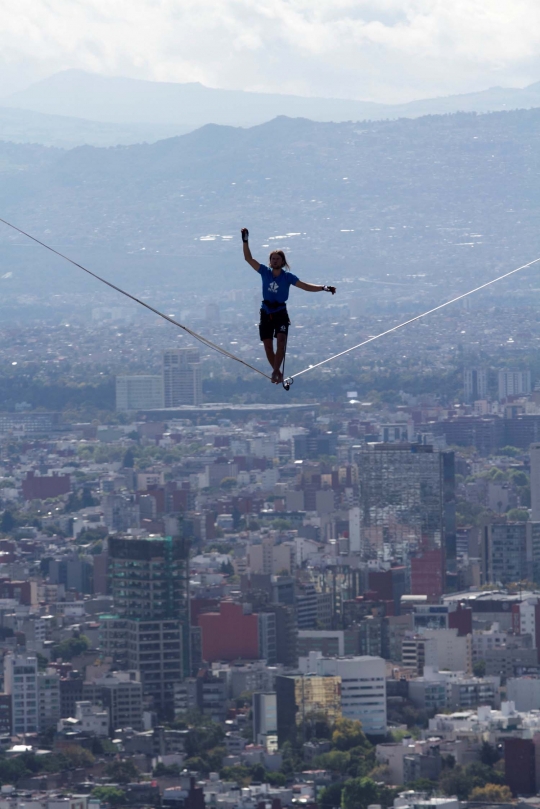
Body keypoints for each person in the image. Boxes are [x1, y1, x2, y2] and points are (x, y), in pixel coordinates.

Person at [241, 228, 336, 384]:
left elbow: (305, 286)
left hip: (280, 312)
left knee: (281, 341)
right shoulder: (265, 272)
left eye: (278, 259)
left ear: (283, 262)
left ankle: (276, 373)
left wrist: (324, 288)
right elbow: (248, 258)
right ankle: (277, 372)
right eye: (273, 259)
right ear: (270, 262)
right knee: (267, 346)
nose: (275, 261)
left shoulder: (288, 277)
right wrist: (245, 241)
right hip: (266, 311)